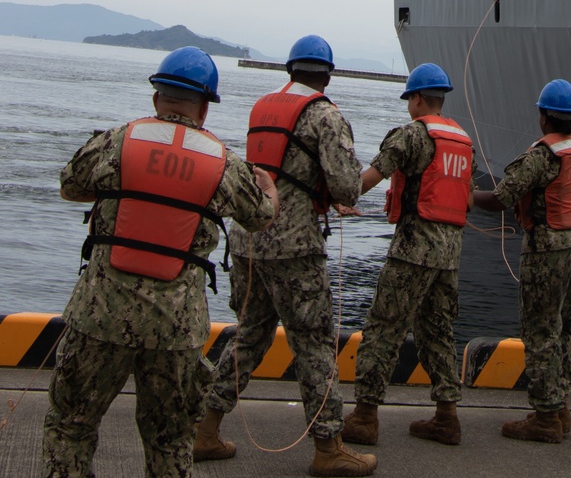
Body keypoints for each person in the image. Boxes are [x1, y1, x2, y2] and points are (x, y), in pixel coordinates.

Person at [42, 47, 278, 478]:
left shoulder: (117, 140)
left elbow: (69, 185)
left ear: (156, 98)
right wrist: (271, 190)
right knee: (171, 441)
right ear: (205, 107)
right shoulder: (225, 163)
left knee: (70, 427)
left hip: (100, 314)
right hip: (176, 327)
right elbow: (260, 217)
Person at [197, 35, 374, 477]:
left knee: (249, 337)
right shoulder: (325, 115)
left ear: (289, 70)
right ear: (327, 75)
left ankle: (205, 430)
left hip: (248, 240)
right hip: (295, 248)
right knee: (314, 343)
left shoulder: (263, 108)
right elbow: (348, 187)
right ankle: (329, 447)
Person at [473, 79, 571, 443]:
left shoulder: (541, 155)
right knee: (562, 329)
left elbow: (502, 198)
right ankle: (561, 406)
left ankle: (545, 417)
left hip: (550, 249)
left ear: (543, 117)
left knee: (539, 331)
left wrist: (467, 194)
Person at [342, 63, 474, 448]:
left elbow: (371, 177)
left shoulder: (411, 136)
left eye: (409, 99)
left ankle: (365, 416)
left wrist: (339, 196)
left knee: (384, 328)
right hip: (450, 255)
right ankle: (447, 417)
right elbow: (465, 198)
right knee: (438, 332)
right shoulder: (462, 141)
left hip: (412, 250)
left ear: (416, 98)